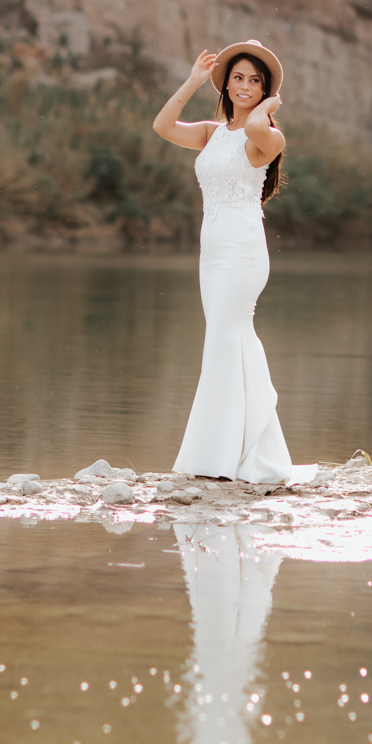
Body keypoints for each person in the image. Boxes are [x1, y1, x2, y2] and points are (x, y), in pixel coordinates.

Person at [152, 40, 314, 484]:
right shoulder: (211, 132)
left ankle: (218, 458)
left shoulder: (269, 136)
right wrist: (192, 81)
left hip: (243, 251)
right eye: (238, 78)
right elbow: (162, 125)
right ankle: (242, 449)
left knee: (225, 337)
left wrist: (269, 105)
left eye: (255, 81)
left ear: (265, 90)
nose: (245, 86)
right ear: (226, 83)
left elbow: (260, 128)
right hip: (213, 251)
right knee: (228, 340)